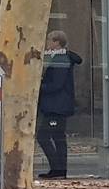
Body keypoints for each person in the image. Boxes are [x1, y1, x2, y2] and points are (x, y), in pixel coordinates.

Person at [36, 30, 84, 179]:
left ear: (56, 43)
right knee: (58, 137)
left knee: (44, 136)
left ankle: (58, 168)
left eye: (49, 40)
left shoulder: (61, 59)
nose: (47, 43)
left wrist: (38, 87)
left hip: (56, 105)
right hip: (57, 104)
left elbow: (56, 84)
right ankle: (59, 170)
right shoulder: (59, 57)